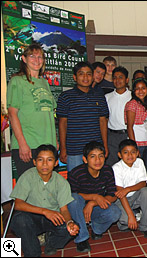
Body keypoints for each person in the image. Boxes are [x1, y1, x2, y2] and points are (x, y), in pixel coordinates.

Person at [9, 144, 79, 257]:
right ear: (34, 162)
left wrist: (70, 223)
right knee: (19, 220)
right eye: (41, 160)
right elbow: (18, 204)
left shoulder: (61, 182)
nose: (45, 164)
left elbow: (64, 210)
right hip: (31, 217)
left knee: (69, 228)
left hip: (53, 218)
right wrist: (44, 211)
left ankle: (50, 242)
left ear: (56, 163)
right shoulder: (27, 176)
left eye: (49, 160)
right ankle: (33, 253)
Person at [7, 43, 57, 177]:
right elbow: (12, 114)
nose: (37, 60)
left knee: (46, 189)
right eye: (32, 56)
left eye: (40, 57)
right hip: (28, 145)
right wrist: (22, 143)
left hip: (47, 145)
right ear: (24, 59)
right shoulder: (17, 81)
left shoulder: (44, 83)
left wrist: (55, 140)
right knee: (29, 191)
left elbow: (50, 113)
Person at [67, 141, 121, 253]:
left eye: (101, 156)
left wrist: (93, 203)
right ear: (85, 159)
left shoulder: (107, 170)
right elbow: (70, 196)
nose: (98, 160)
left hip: (96, 208)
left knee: (115, 212)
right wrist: (94, 197)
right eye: (93, 156)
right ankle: (82, 239)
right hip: (79, 209)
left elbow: (112, 196)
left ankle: (97, 229)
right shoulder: (76, 173)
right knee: (74, 199)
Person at [57, 61, 109, 172]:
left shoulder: (99, 96)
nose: (85, 77)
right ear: (75, 77)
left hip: (96, 150)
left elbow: (103, 121)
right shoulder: (65, 97)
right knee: (76, 184)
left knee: (95, 183)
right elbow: (62, 123)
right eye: (81, 74)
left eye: (89, 74)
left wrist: (105, 146)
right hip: (75, 149)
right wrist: (63, 148)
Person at [113, 139, 147, 238]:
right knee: (127, 219)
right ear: (120, 155)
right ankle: (124, 221)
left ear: (137, 153)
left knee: (146, 191)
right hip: (121, 200)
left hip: (135, 196)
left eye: (133, 152)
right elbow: (121, 194)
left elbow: (143, 183)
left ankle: (146, 226)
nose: (130, 155)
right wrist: (131, 216)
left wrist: (128, 189)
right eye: (126, 153)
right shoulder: (116, 168)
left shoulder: (139, 162)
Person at [125, 78, 147, 190]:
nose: (140, 91)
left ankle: (145, 197)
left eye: (143, 88)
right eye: (137, 89)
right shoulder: (132, 104)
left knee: (146, 172)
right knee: (137, 174)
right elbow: (130, 126)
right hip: (137, 144)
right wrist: (134, 148)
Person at [105, 66, 132, 166]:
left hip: (128, 135)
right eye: (115, 78)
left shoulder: (133, 96)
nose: (117, 80)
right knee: (112, 165)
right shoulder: (107, 97)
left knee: (129, 165)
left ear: (127, 80)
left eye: (120, 77)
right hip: (112, 136)